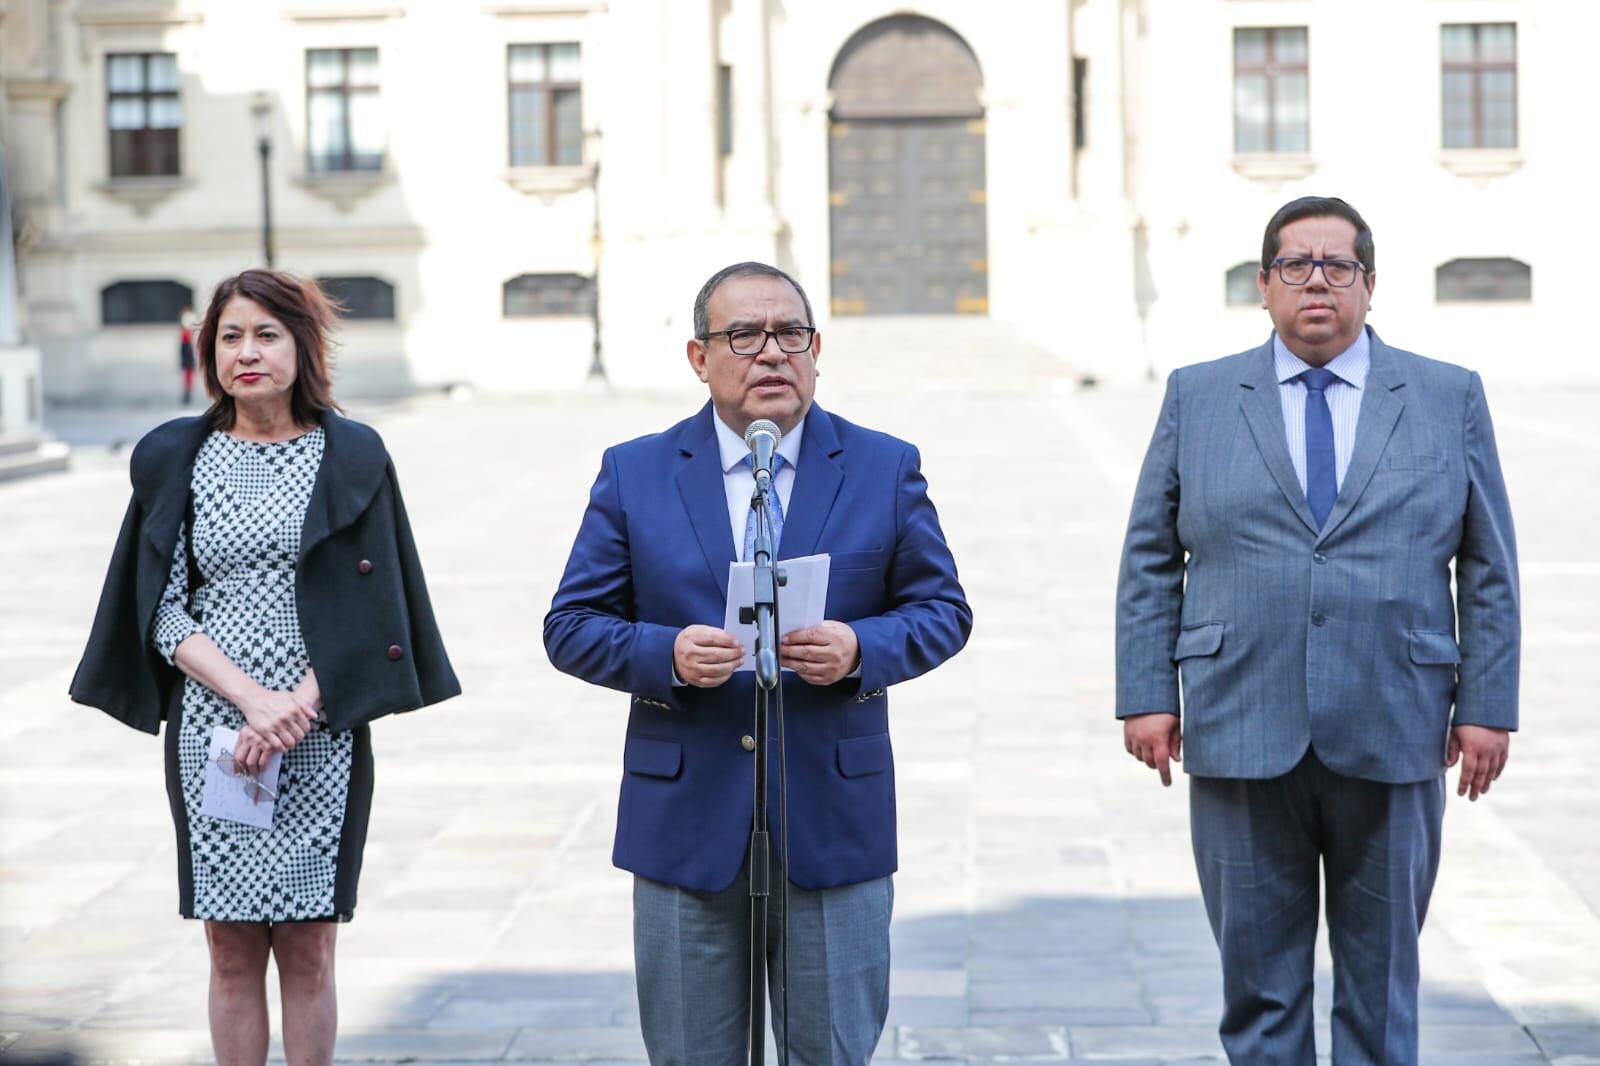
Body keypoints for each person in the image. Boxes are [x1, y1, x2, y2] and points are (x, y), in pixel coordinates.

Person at [1115, 196, 1520, 1065]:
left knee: (1381, 989)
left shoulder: (1447, 397)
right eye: (1296, 265)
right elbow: (1150, 555)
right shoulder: (1201, 396)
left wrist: (1486, 705)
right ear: (1263, 287)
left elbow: (1486, 564)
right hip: (1240, 722)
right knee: (1259, 990)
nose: (1317, 282)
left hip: (1396, 719)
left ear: (1370, 286)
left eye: (1338, 266)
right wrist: (1147, 693)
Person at [544, 261, 972, 1064]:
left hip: (832, 821)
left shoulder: (883, 466)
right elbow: (571, 625)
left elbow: (943, 612)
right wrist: (663, 652)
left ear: (817, 349)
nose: (771, 352)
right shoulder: (636, 472)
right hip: (685, 825)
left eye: (790, 334)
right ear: (699, 358)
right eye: (744, 335)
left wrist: (859, 648)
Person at [71, 269, 460, 1066]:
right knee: (231, 947)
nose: (246, 353)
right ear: (208, 351)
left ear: (303, 346)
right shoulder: (176, 456)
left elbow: (378, 600)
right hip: (217, 731)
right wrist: (251, 703)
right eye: (229, 336)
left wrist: (295, 710)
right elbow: (160, 607)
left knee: (312, 946)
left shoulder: (352, 455)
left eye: (266, 334)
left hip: (322, 726)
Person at [179, 303, 200, 405]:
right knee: (188, 374)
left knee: (188, 374)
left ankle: (187, 393)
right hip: (187, 350)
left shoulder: (186, 332)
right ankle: (187, 392)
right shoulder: (186, 333)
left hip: (188, 350)